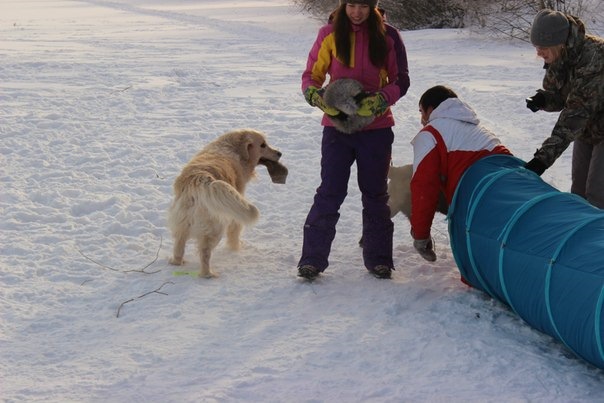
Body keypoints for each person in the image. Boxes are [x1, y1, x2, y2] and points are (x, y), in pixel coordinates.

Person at [297, 0, 410, 280]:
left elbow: (402, 80)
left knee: (375, 194)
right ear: (343, 5)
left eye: (363, 6)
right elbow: (312, 75)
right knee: (330, 192)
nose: (357, 12)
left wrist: (382, 100)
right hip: (338, 128)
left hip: (377, 128)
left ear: (373, 7)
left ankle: (379, 260)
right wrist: (315, 96)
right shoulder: (329, 34)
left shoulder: (389, 35)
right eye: (351, 5)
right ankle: (311, 260)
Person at [410, 86, 512, 262]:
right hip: (510, 180)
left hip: (476, 195)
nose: (422, 120)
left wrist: (420, 234)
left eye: (422, 112)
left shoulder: (431, 134)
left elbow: (424, 188)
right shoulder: (477, 128)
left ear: (431, 110)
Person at [524, 9, 604, 208]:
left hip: (589, 121)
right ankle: (579, 237)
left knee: (597, 193)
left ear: (558, 42)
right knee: (578, 192)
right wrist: (543, 99)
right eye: (536, 47)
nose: (538, 52)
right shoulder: (559, 56)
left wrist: (542, 160)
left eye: (542, 47)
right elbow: (559, 96)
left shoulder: (594, 57)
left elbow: (575, 114)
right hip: (588, 128)